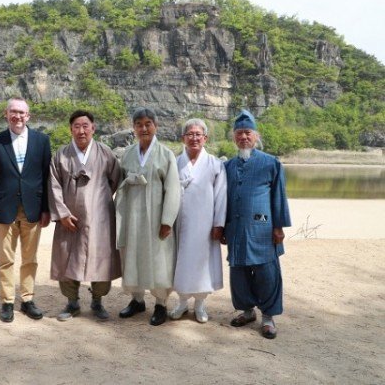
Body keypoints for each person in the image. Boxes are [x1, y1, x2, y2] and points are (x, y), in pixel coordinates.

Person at [221, 110, 291, 339]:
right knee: (238, 271)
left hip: (263, 227)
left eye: (247, 133)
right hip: (236, 228)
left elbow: (279, 196)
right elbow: (222, 200)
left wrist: (279, 226)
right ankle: (247, 310)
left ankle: (268, 317)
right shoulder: (228, 166)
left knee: (266, 271)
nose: (243, 137)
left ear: (256, 135)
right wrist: (222, 226)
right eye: (239, 133)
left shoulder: (271, 163)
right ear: (234, 137)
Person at [48, 110, 122, 321]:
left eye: (85, 126)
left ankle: (97, 301)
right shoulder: (61, 155)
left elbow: (116, 180)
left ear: (93, 128)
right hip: (69, 219)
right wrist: (62, 214)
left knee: (101, 260)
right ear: (71, 129)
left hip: (100, 219)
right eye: (77, 126)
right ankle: (72, 302)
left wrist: (100, 201)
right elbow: (53, 185)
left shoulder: (105, 152)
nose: (81, 131)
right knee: (67, 258)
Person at [0, 97, 52, 323]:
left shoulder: (42, 141)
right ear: (6, 114)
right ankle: (6, 301)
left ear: (28, 116)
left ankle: (27, 299)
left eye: (21, 113)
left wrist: (46, 209)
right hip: (5, 208)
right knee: (6, 258)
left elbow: (46, 177)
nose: (17, 116)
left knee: (30, 258)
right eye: (13, 112)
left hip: (33, 207)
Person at [115, 107, 180, 326]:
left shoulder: (165, 154)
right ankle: (137, 299)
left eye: (148, 124)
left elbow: (173, 189)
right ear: (133, 128)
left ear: (155, 126)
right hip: (133, 216)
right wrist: (129, 181)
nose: (144, 128)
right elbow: (118, 181)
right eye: (139, 124)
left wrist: (167, 220)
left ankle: (161, 303)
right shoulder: (129, 153)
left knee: (159, 258)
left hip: (155, 217)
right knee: (132, 256)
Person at [170, 119, 227, 323]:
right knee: (180, 261)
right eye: (190, 134)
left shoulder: (215, 164)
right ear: (183, 138)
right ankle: (182, 302)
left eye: (198, 134)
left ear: (205, 138)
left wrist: (218, 224)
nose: (194, 138)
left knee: (203, 263)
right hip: (180, 223)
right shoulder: (174, 162)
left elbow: (221, 196)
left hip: (205, 224)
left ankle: (200, 304)